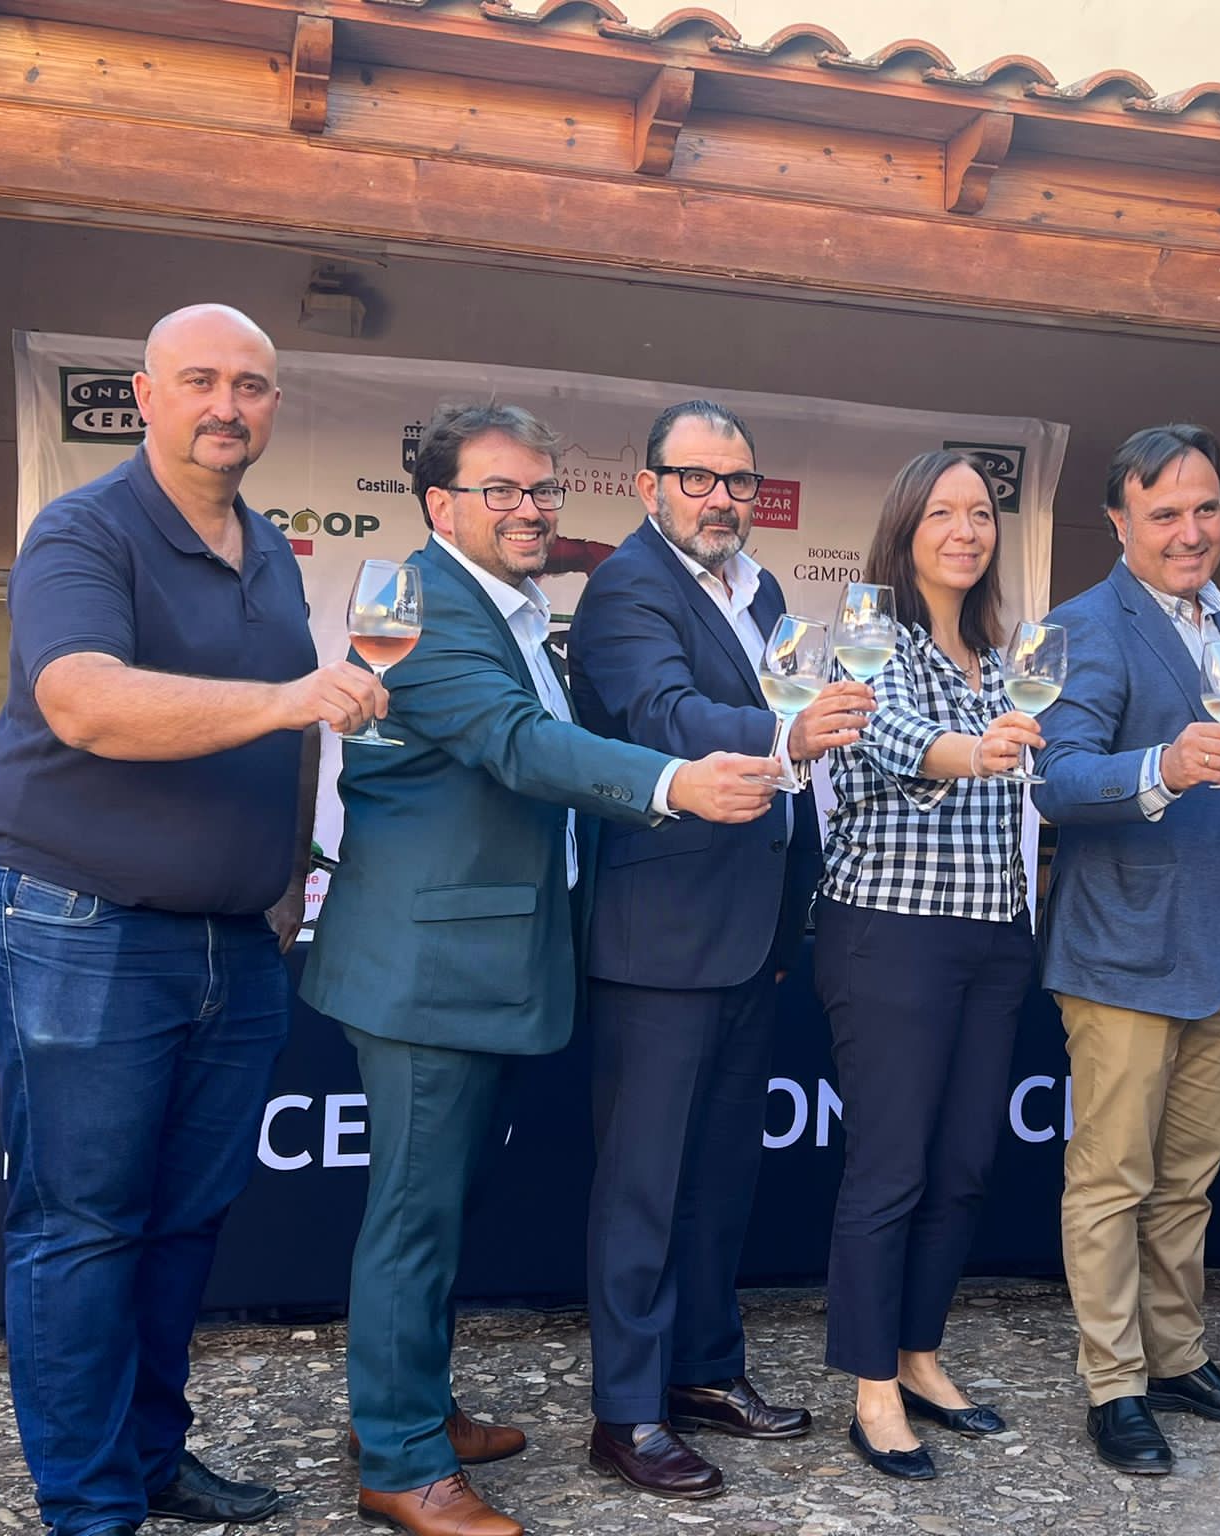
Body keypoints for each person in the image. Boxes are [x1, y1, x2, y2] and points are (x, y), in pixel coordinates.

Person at [302, 402, 781, 1536]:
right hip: (424, 966)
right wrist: (675, 783)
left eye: (542, 491)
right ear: (440, 506)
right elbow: (518, 745)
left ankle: (410, 1408)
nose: (529, 511)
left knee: (444, 1206)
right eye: (501, 492)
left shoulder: (504, 606)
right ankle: (403, 1463)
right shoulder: (418, 603)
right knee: (413, 1221)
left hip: (487, 960)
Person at [0, 303, 386, 1536]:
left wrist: (289, 880)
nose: (226, 406)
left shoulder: (266, 551)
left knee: (184, 1223)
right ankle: (90, 1505)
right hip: (77, 922)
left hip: (229, 941)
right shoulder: (83, 531)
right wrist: (284, 700)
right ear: (142, 396)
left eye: (251, 386)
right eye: (199, 380)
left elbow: (297, 730)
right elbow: (85, 702)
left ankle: (152, 1458)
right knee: (85, 1226)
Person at [566, 400, 873, 1501]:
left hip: (750, 932)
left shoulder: (766, 593)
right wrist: (784, 733)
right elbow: (661, 714)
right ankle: (628, 1413)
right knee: (643, 1188)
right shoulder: (624, 588)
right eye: (696, 478)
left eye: (737, 480)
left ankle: (702, 1372)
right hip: (658, 935)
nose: (720, 498)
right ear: (647, 487)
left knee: (715, 1183)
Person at [1032, 423, 1220, 1476]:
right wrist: (1163, 764)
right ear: (1118, 521)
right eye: (1165, 514)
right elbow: (1055, 780)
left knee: (1188, 1177)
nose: (1191, 533)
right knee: (1112, 1177)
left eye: (1205, 509)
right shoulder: (1084, 626)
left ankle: (1177, 1354)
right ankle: (1113, 1384)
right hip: (1124, 949)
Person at [811, 451, 1043, 1480]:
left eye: (980, 511)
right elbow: (900, 743)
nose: (965, 528)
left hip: (995, 933)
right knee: (889, 1166)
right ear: (905, 529)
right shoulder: (868, 646)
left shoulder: (1002, 657)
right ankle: (869, 1389)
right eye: (942, 511)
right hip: (889, 932)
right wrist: (978, 752)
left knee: (963, 1167)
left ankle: (918, 1354)